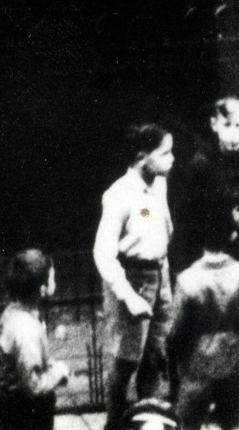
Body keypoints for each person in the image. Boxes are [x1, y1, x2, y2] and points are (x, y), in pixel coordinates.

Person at [94, 122, 177, 430]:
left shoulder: (158, 184)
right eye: (165, 153)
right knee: (125, 359)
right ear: (142, 157)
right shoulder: (118, 195)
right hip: (134, 277)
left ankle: (148, 418)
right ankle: (115, 423)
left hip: (160, 273)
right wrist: (128, 295)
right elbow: (103, 253)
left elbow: (153, 219)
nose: (172, 159)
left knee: (157, 352)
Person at [162, 207, 239, 430]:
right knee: (234, 420)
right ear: (232, 236)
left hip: (197, 368)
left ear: (201, 241)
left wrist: (177, 358)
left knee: (187, 423)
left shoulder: (187, 280)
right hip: (236, 365)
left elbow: (173, 332)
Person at [178, 97, 239, 272]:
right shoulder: (200, 165)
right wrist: (225, 218)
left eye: (238, 125)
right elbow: (189, 216)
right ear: (214, 124)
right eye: (226, 125)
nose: (232, 134)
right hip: (211, 252)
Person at [0, 249, 70, 430]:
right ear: (42, 289)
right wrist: (59, 372)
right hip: (24, 415)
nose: (55, 282)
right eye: (52, 278)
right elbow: (33, 385)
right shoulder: (25, 329)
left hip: (11, 410)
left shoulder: (15, 312)